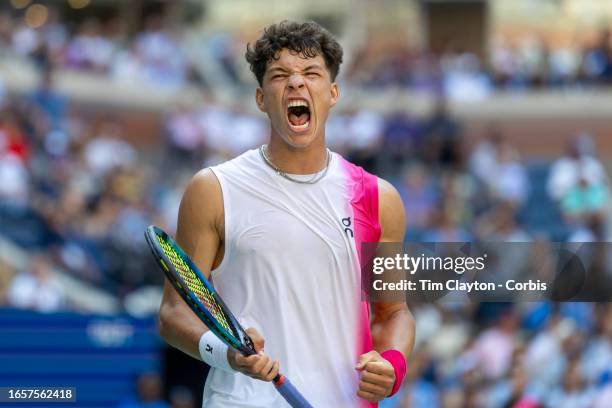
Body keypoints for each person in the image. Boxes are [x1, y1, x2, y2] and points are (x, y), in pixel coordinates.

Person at [158, 21, 414, 407]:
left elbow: (394, 312)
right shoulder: (212, 190)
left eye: (311, 73)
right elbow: (174, 314)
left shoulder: (378, 198)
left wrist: (393, 364)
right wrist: (226, 354)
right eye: (280, 76)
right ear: (261, 98)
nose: (296, 83)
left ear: (332, 93)